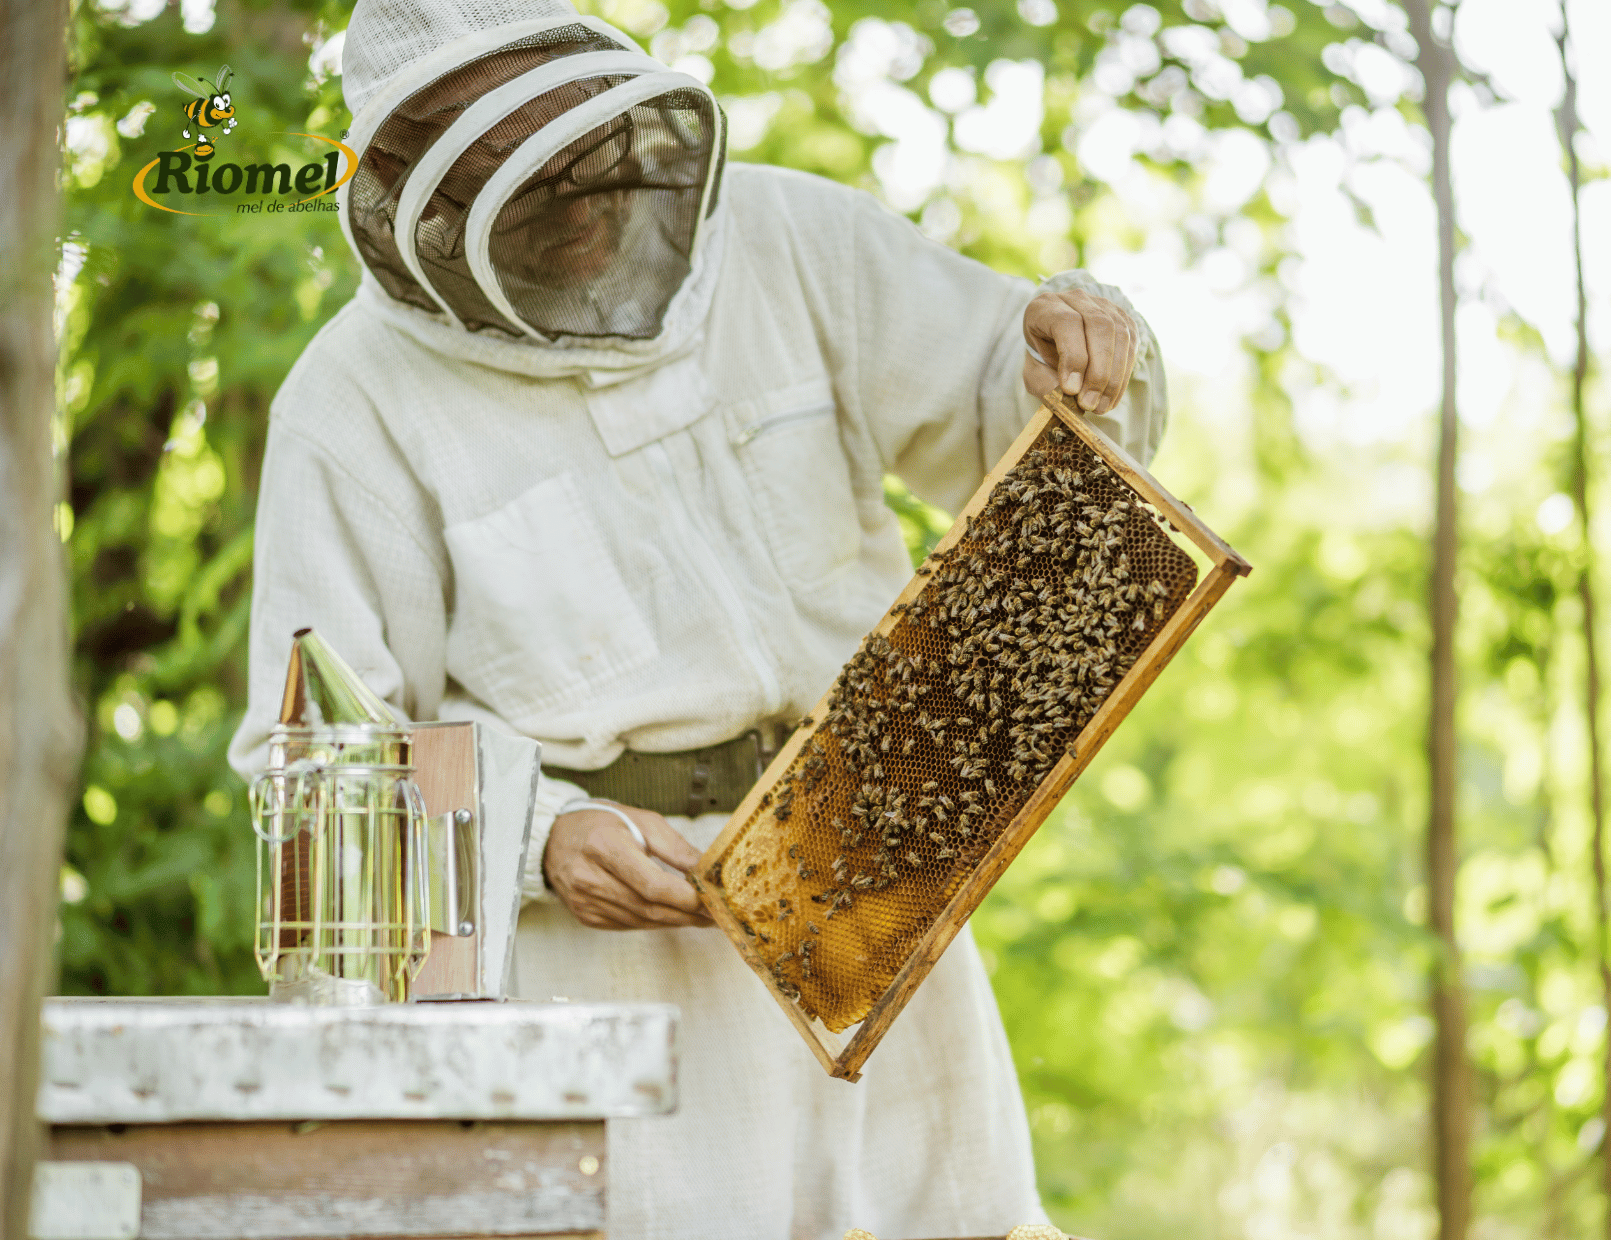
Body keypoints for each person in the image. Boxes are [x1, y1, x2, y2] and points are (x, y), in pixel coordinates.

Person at [229, 0, 1168, 1235]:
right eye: (529, 186)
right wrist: (540, 844)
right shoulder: (350, 409)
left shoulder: (792, 239)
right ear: (423, 193)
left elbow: (1018, 431)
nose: (584, 203)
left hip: (869, 879)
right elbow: (311, 801)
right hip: (587, 977)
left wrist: (1071, 357)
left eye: (593, 159)